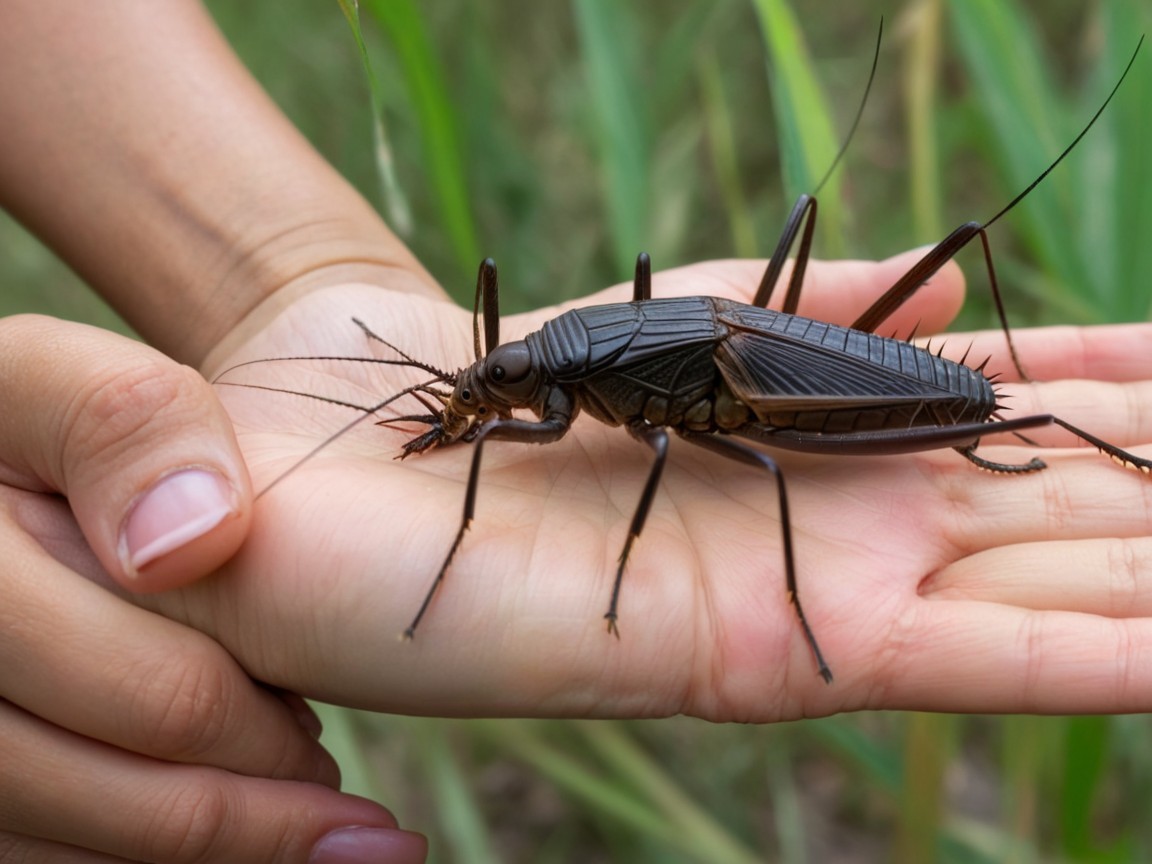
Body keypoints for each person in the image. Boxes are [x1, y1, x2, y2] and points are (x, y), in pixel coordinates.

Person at [3, 1, 1152, 862]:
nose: (501, 404)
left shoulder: (579, 393)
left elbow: (644, 439)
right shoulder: (549, 371)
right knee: (734, 425)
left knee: (769, 442)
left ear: (542, 373)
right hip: (740, 356)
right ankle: (1001, 422)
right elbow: (521, 402)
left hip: (790, 386)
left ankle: (1013, 429)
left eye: (501, 388)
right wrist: (300, 310)